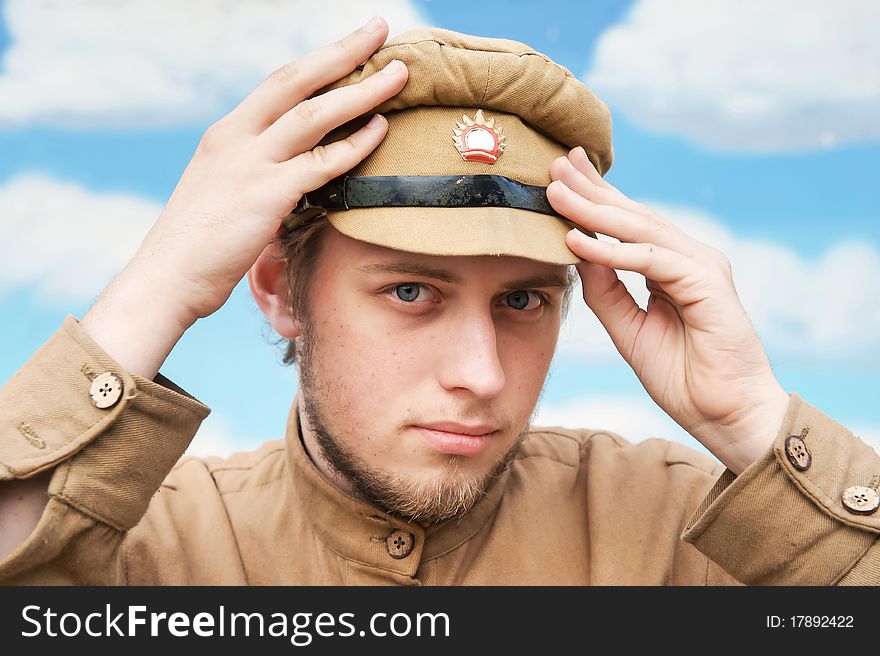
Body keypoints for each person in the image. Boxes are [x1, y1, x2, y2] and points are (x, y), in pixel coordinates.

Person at [1, 20, 878, 586]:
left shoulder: (691, 532)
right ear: (279, 292)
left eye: (525, 300)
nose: (481, 373)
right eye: (412, 290)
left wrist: (755, 422)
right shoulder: (141, 542)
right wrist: (156, 286)